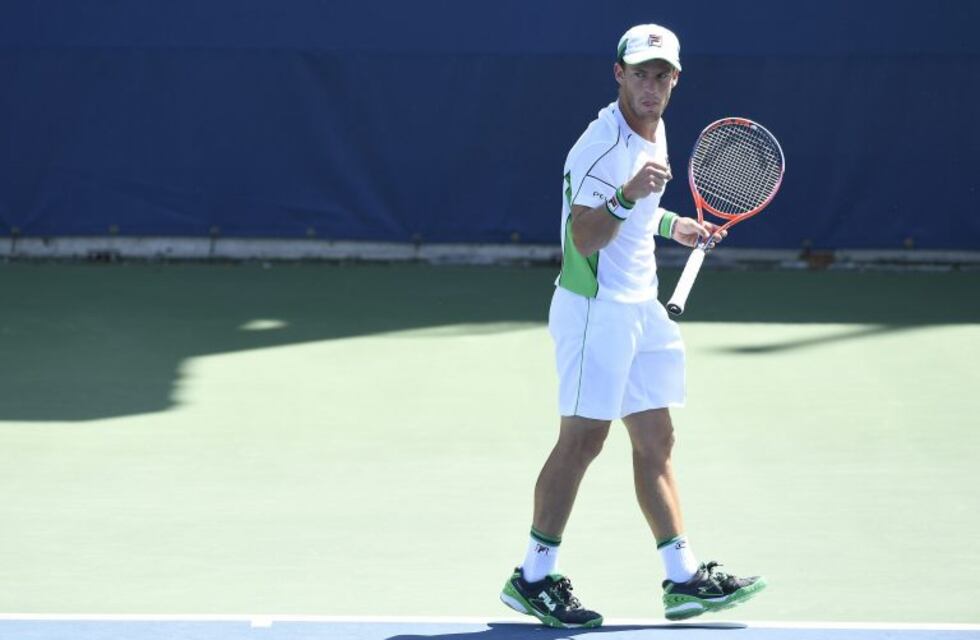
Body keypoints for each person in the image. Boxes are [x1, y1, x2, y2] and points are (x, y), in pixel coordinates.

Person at [498, 23, 766, 629]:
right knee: (583, 440)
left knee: (656, 440)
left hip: (642, 306)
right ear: (618, 74)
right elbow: (583, 237)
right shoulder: (598, 145)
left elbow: (642, 212)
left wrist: (677, 227)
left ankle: (684, 579)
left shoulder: (656, 127)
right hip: (596, 311)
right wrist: (623, 196)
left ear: (675, 79)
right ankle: (533, 577)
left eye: (661, 74)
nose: (651, 85)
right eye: (640, 73)